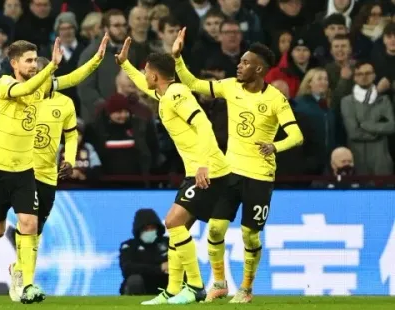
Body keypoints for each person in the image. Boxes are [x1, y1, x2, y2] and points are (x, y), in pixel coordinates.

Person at [172, 27, 304, 304]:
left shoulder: (276, 99)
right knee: (215, 229)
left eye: (245, 63)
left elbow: (296, 135)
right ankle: (219, 282)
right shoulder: (230, 86)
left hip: (260, 175)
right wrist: (178, 58)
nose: (239, 66)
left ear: (259, 69)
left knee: (249, 235)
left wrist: (274, 146)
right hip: (230, 171)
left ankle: (245, 287)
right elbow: (192, 83)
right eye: (240, 61)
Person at [116, 37, 231, 305]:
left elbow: (203, 124)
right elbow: (144, 88)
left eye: (145, 71)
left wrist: (203, 163)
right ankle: (173, 289)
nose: (144, 75)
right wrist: (125, 65)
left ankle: (195, 286)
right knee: (177, 230)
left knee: (172, 222)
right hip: (198, 170)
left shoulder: (178, 94)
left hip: (208, 170)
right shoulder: (165, 93)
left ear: (155, 75)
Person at [8, 34, 110, 302]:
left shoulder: (64, 103)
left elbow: (72, 135)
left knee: (37, 229)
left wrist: (70, 159)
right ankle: (25, 282)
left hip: (48, 174)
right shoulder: (25, 98)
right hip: (24, 171)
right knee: (28, 224)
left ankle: (18, 270)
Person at [0, 38, 63, 304]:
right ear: (14, 63)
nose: (32, 65)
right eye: (28, 60)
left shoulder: (37, 87)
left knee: (29, 225)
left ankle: (27, 284)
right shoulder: (5, 84)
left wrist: (98, 59)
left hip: (24, 172)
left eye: (35, 60)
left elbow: (71, 79)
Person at [119, 208, 169, 296]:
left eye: (152, 228)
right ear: (139, 230)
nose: (150, 231)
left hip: (165, 285)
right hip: (140, 287)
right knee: (134, 280)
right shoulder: (129, 246)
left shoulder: (169, 243)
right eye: (146, 228)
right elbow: (127, 269)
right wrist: (159, 268)